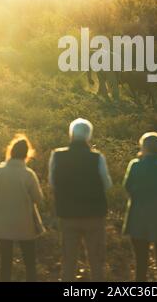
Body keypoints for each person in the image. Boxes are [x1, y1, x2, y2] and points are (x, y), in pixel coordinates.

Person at [49, 118, 112, 282]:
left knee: (69, 261)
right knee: (96, 260)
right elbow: (107, 184)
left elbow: (52, 183)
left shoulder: (57, 156)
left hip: (68, 215)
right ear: (88, 136)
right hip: (94, 215)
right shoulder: (97, 158)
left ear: (71, 135)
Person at [0, 134, 44, 282]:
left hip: (1, 225)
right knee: (29, 263)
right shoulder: (28, 175)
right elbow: (39, 198)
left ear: (10, 152)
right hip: (25, 225)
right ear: (27, 154)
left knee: (6, 263)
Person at [123, 132, 157, 282]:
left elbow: (127, 188)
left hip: (138, 218)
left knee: (141, 264)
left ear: (143, 147)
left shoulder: (135, 165)